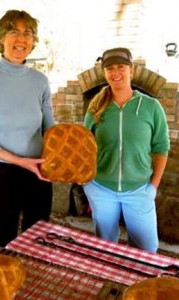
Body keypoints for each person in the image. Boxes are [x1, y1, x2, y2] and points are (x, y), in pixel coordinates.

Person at [0, 10, 55, 253]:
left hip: (38, 172)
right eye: (14, 31)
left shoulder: (40, 80)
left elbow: (51, 130)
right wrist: (19, 161)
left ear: (33, 41)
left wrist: (67, 163)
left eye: (27, 33)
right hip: (1, 174)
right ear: (1, 38)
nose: (21, 39)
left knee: (37, 241)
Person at [83, 47, 170, 253]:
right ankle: (108, 284)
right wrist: (86, 180)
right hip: (101, 188)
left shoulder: (151, 107)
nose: (115, 73)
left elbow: (161, 147)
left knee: (146, 251)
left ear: (132, 71)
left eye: (121, 67)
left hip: (139, 190)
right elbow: (83, 145)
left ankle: (138, 285)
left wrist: (153, 187)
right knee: (105, 248)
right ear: (104, 73)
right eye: (110, 68)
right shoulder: (96, 106)